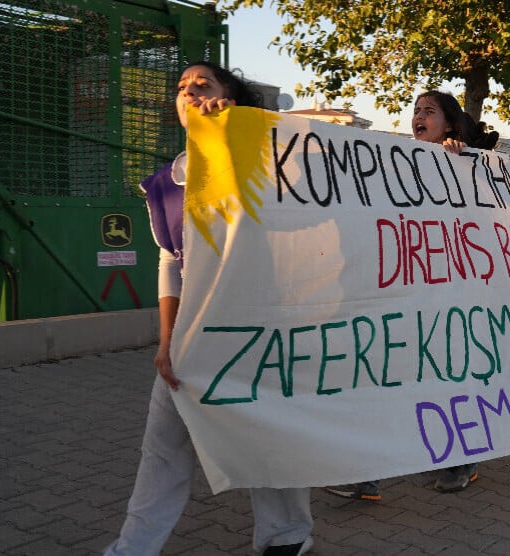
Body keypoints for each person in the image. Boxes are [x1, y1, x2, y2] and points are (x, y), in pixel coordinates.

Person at [106, 62, 313, 556]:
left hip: (261, 331)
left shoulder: (269, 159)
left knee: (268, 436)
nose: (191, 93)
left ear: (230, 98)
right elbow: (170, 263)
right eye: (182, 88)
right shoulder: (164, 183)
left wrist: (236, 135)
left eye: (204, 85)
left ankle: (287, 537)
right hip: (193, 336)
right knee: (163, 452)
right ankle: (133, 547)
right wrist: (166, 339)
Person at [326, 91, 499, 500]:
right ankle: (365, 473)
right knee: (386, 380)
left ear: (450, 125)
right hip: (403, 297)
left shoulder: (466, 164)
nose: (419, 117)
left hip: (452, 301)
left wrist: (467, 164)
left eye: (429, 111)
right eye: (416, 111)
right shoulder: (396, 160)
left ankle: (461, 458)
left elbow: (492, 212)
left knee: (449, 381)